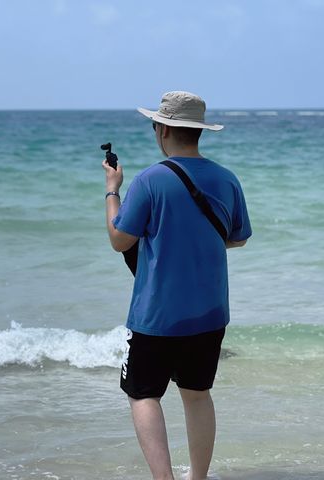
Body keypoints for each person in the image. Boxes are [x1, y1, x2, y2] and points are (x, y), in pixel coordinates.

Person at [102, 91, 252, 480]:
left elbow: (120, 239)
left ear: (164, 128)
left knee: (143, 393)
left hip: (157, 315)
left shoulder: (150, 180)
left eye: (155, 125)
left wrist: (112, 189)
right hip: (209, 312)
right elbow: (237, 237)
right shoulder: (226, 178)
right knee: (197, 394)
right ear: (197, 132)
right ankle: (197, 478)